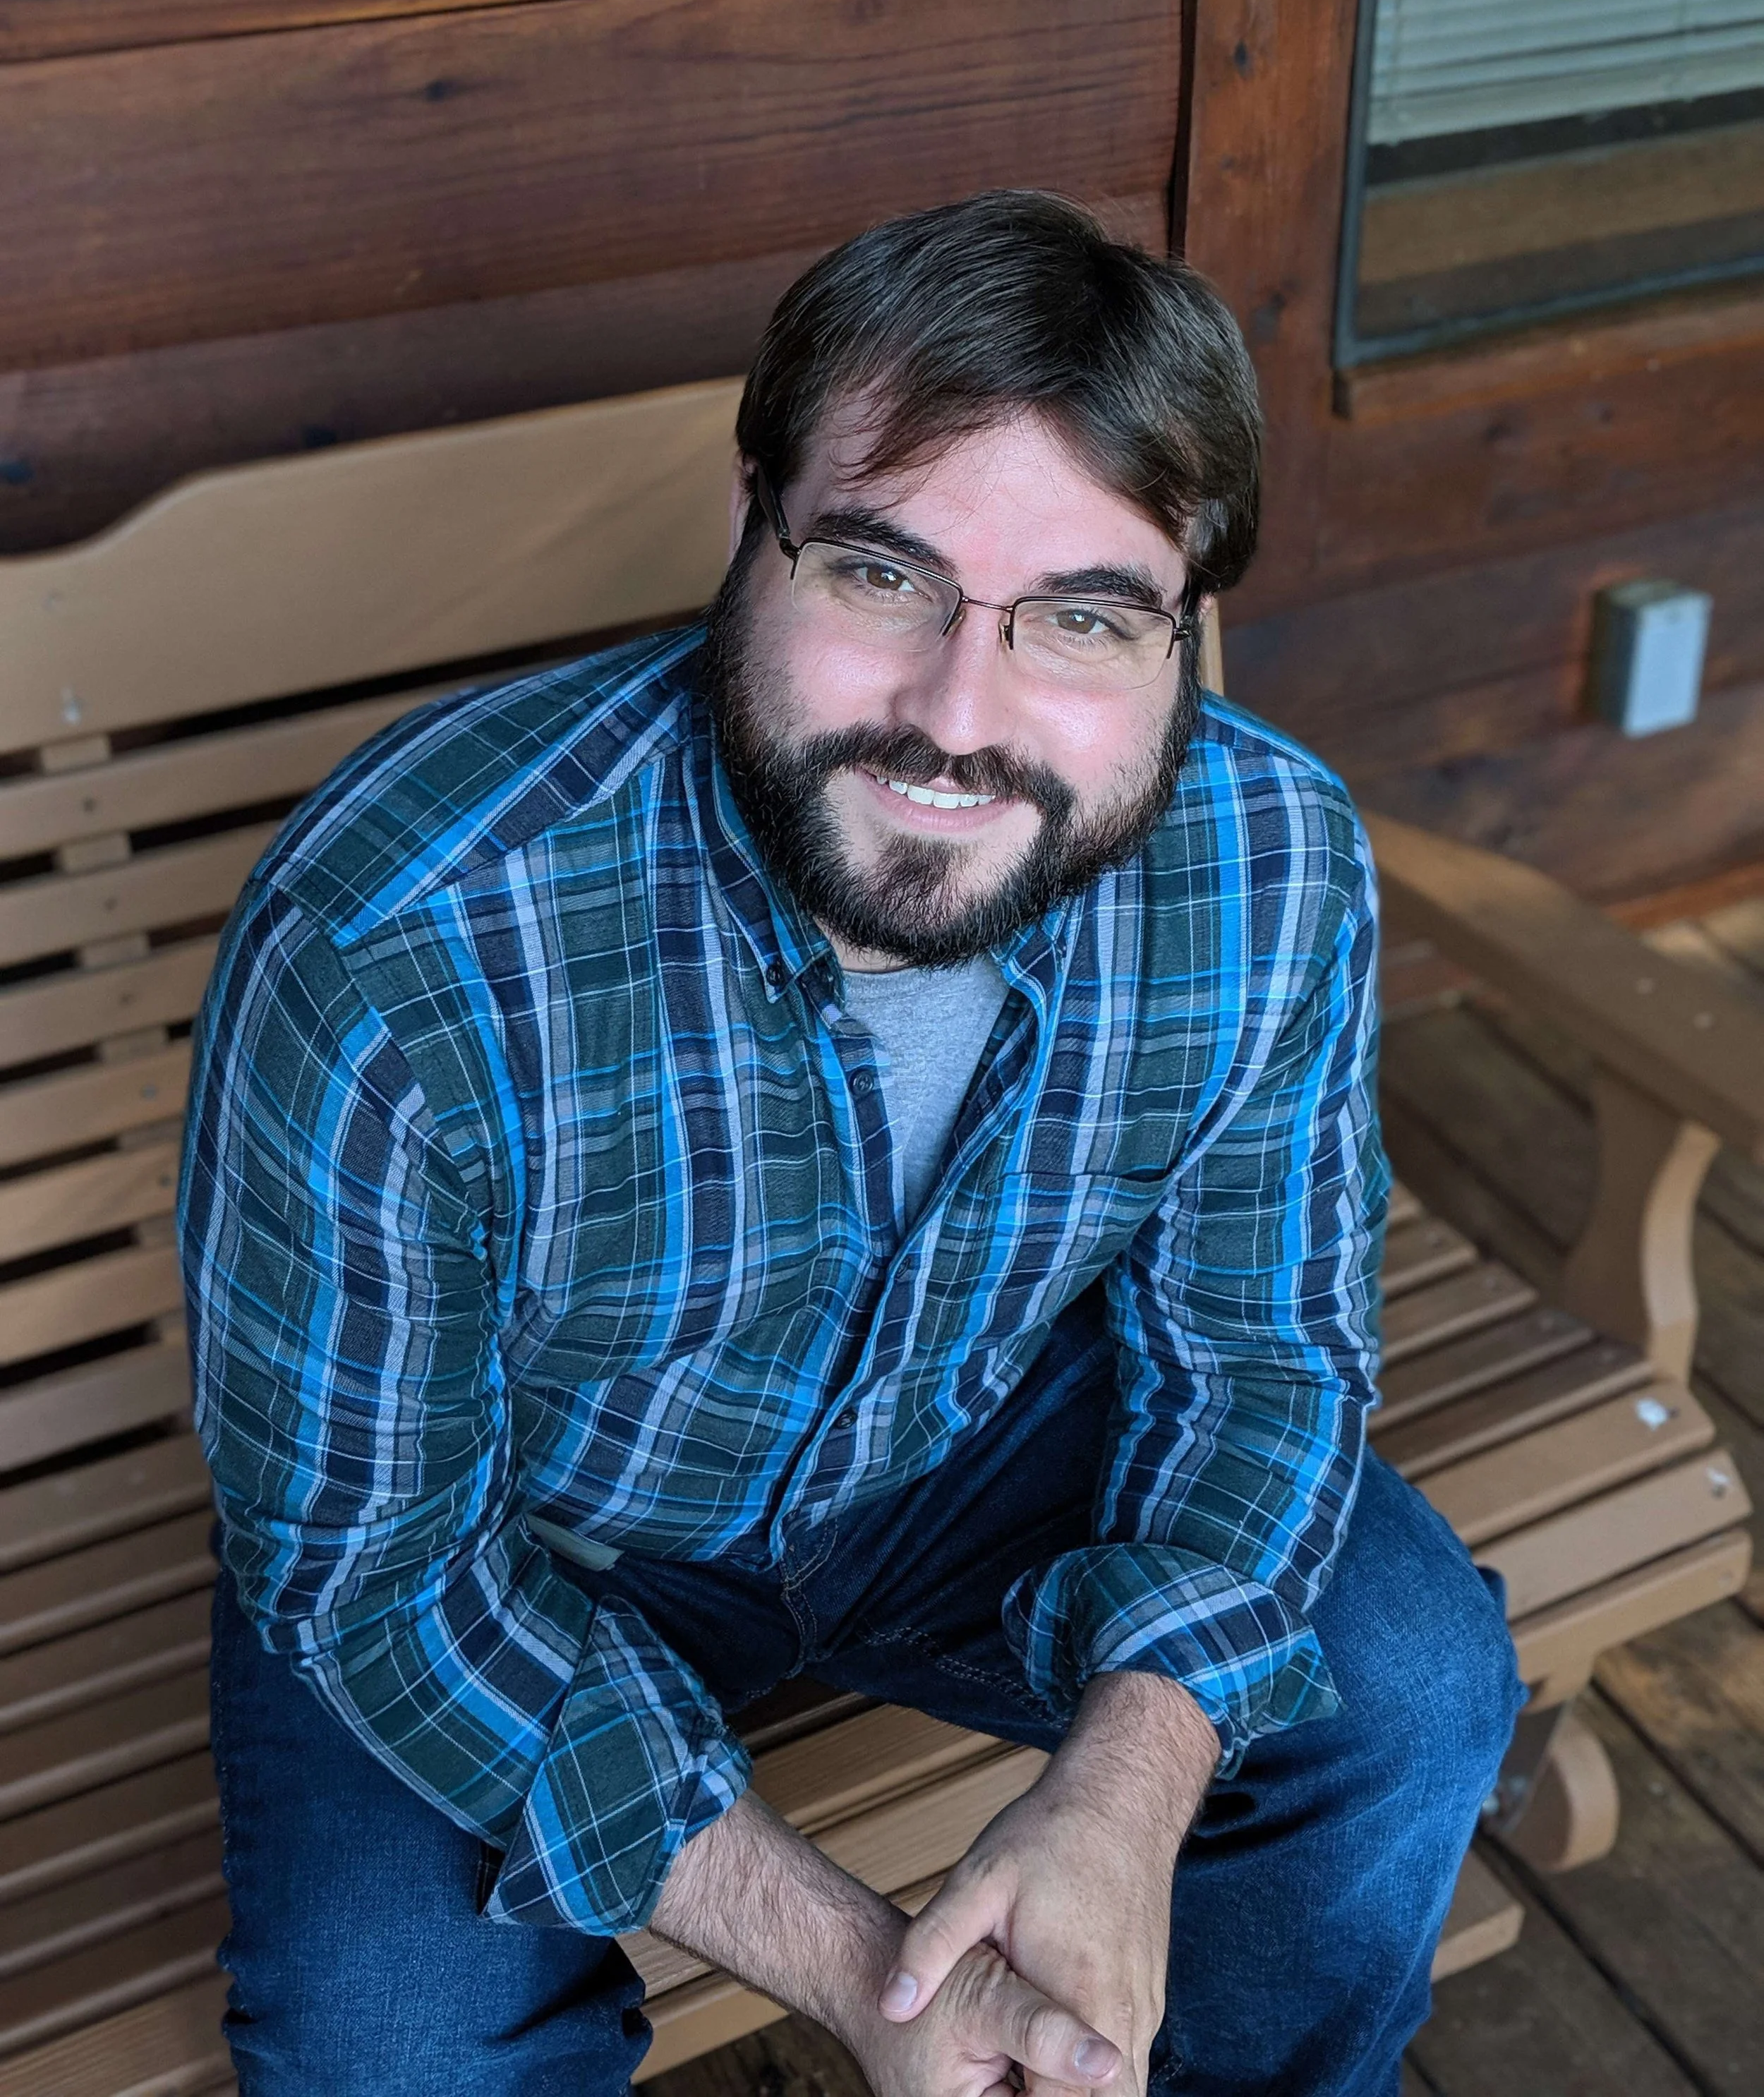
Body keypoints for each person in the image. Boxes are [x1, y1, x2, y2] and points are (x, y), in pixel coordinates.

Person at [181, 190, 1521, 2097]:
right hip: (522, 1530)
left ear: (1179, 625)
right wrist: (874, 1974)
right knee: (389, 2045)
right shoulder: (396, 939)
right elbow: (369, 1564)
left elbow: (1253, 1356)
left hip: (961, 1452)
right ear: (755, 525)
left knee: (1405, 1680)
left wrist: (1126, 1796)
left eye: (1081, 613)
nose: (955, 719)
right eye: (882, 575)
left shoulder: (1267, 856)